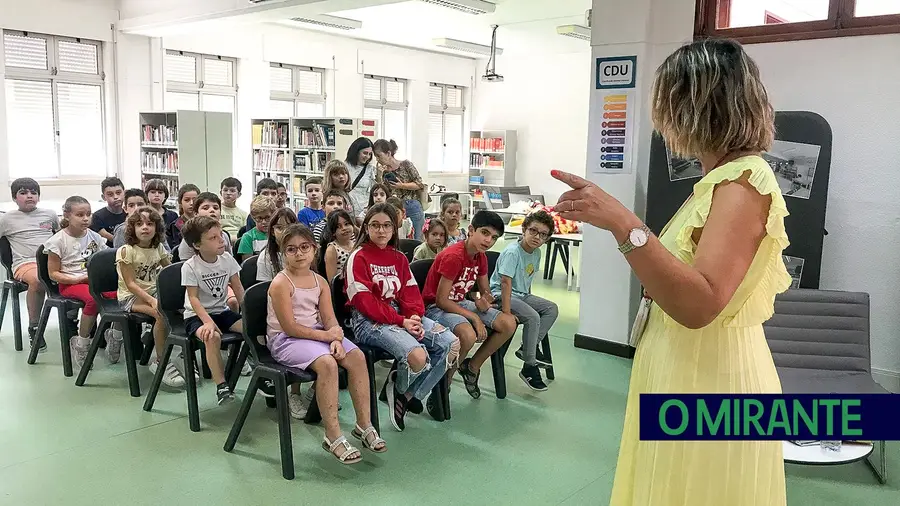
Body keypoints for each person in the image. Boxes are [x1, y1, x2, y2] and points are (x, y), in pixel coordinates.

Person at [552, 39, 791, 506]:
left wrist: (624, 223)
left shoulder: (744, 181)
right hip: (684, 365)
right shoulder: (717, 182)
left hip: (710, 377)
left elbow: (700, 303)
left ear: (695, 105)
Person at [266, 224, 386, 462]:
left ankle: (364, 424)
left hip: (317, 335)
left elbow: (330, 319)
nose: (299, 253)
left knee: (357, 357)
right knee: (328, 364)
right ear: (283, 253)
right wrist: (328, 338)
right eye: (291, 249)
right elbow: (290, 327)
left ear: (314, 250)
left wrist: (338, 338)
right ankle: (332, 435)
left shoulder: (319, 281)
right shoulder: (281, 283)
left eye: (304, 247)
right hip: (286, 340)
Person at [346, 204, 459, 431]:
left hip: (401, 315)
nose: (381, 231)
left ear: (394, 228)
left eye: (387, 225)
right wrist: (402, 322)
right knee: (418, 357)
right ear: (366, 228)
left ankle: (405, 394)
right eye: (375, 225)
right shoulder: (358, 257)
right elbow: (364, 302)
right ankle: (400, 387)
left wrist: (415, 317)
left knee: (451, 344)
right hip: (368, 321)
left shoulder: (398, 257)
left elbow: (410, 293)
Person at [422, 210, 517, 399]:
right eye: (485, 233)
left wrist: (484, 300)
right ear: (471, 230)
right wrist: (474, 316)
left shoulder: (480, 256)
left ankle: (471, 367)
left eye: (494, 238)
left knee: (508, 324)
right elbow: (441, 300)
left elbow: (485, 291)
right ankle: (443, 384)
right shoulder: (454, 256)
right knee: (468, 335)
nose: (488, 240)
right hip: (435, 308)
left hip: (460, 303)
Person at [115, 206, 183, 388]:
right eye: (139, 224)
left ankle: (184, 356)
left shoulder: (158, 247)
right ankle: (160, 361)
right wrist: (152, 301)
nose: (145, 227)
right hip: (130, 296)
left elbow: (170, 270)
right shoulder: (126, 251)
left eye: (150, 223)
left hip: (154, 292)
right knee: (161, 313)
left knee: (183, 307)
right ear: (132, 228)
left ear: (157, 228)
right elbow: (130, 284)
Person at [489, 210, 557, 391]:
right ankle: (530, 365)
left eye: (543, 235)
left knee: (551, 308)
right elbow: (505, 283)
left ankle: (528, 348)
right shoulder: (513, 252)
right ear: (524, 229)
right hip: (501, 296)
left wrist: (528, 301)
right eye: (533, 231)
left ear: (547, 239)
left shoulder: (536, 254)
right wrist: (506, 310)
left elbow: (527, 281)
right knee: (533, 316)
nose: (537, 237)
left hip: (522, 295)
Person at [44, 196, 113, 371]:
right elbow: (53, 274)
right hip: (70, 283)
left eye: (88, 214)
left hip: (92, 280)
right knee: (93, 299)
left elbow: (105, 259)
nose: (85, 218)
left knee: (121, 294)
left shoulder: (94, 236)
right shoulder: (57, 241)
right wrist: (78, 279)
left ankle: (116, 336)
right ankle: (82, 342)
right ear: (67, 216)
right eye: (80, 215)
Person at [181, 215, 245, 405]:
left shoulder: (227, 259)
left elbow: (238, 288)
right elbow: (193, 298)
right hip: (196, 316)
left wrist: (249, 313)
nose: (221, 240)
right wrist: (208, 321)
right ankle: (222, 386)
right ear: (197, 245)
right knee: (212, 337)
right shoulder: (190, 266)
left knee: (253, 329)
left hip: (222, 312)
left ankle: (261, 373)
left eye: (221, 235)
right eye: (213, 238)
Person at [0, 178, 59, 350]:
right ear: (14, 198)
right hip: (24, 263)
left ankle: (71, 321)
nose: (29, 196)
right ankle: (34, 327)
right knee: (38, 280)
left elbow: (60, 237)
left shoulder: (50, 214)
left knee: (79, 276)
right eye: (23, 193)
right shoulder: (6, 219)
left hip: (51, 261)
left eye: (34, 193)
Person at [373, 138, 426, 240]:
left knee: (416, 238)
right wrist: (379, 176)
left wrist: (402, 186)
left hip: (412, 205)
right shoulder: (383, 171)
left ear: (388, 153)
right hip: (394, 208)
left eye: (379, 156)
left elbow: (419, 184)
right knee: (396, 238)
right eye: (376, 157)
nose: (377, 159)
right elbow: (380, 190)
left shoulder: (406, 164)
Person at [177, 192, 232, 262]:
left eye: (216, 208)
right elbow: (184, 264)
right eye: (205, 208)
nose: (212, 210)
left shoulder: (224, 235)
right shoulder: (192, 237)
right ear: (196, 213)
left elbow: (229, 260)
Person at [256, 208, 299, 283]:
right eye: (279, 228)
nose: (285, 231)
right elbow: (264, 289)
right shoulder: (265, 257)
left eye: (289, 227)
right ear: (272, 231)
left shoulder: (303, 252)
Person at [344, 137, 379, 217]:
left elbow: (375, 190)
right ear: (356, 152)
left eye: (370, 154)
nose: (367, 156)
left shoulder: (371, 169)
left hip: (364, 211)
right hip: (347, 210)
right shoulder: (344, 167)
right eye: (365, 153)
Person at [319, 210, 355, 282]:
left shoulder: (356, 244)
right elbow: (332, 281)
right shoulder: (332, 249)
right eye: (339, 227)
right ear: (333, 232)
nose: (344, 228)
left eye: (346, 224)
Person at [90, 177, 126, 247]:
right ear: (103, 197)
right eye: (110, 194)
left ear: (124, 193)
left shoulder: (129, 214)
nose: (115, 197)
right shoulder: (98, 216)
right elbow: (109, 237)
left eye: (118, 193)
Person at [238, 195, 276, 261]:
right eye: (259, 218)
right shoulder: (247, 237)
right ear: (253, 218)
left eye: (268, 217)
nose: (264, 222)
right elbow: (248, 265)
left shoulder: (278, 234)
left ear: (274, 215)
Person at [166, 183, 199, 252]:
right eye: (187, 200)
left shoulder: (204, 222)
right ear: (180, 202)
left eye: (194, 199)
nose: (191, 203)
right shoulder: (175, 226)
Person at [219, 177, 247, 242]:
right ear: (221, 192)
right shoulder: (216, 209)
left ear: (239, 194)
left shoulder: (243, 214)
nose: (228, 193)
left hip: (239, 242)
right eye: (225, 190)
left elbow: (245, 232)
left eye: (232, 191)